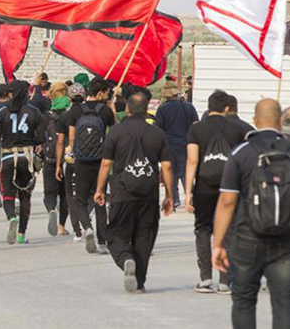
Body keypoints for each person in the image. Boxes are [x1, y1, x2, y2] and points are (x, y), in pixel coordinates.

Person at [212, 99, 290, 329]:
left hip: (248, 237)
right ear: (280, 121)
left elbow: (227, 202)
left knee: (244, 301)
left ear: (255, 120)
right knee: (285, 303)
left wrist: (218, 244)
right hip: (287, 239)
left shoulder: (240, 153)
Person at [95, 92, 174, 293]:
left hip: (122, 192)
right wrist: (169, 195)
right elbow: (167, 166)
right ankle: (139, 281)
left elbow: (106, 163)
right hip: (149, 193)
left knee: (116, 234)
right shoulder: (157, 133)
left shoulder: (116, 132)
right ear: (147, 109)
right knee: (145, 236)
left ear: (128, 108)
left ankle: (125, 259)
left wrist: (100, 189)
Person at [185, 90, 249, 294]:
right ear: (227, 108)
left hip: (203, 187)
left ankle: (205, 278)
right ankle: (225, 280)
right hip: (229, 188)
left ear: (208, 106)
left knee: (203, 230)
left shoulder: (196, 129)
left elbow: (192, 160)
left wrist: (188, 191)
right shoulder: (237, 129)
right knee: (228, 230)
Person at [0, 80, 45, 245]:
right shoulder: (34, 112)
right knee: (25, 196)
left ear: (10, 94)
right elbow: (41, 138)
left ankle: (11, 218)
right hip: (27, 157)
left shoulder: (2, 112)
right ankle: (22, 234)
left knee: (7, 194)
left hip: (8, 157)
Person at [68, 77, 115, 254]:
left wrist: (74, 153)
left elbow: (72, 138)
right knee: (100, 199)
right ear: (101, 93)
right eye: (107, 93)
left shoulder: (76, 110)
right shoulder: (105, 111)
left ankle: (87, 227)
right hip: (101, 161)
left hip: (81, 161)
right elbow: (114, 133)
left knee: (80, 200)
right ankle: (102, 242)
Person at [155, 80, 198, 208]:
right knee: (186, 171)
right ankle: (191, 196)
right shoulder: (189, 107)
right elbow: (195, 125)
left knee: (171, 172)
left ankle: (174, 198)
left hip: (169, 145)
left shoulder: (162, 109)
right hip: (186, 143)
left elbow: (158, 129)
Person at [55, 82, 87, 242]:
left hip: (71, 158)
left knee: (71, 195)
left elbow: (61, 142)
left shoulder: (64, 116)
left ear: (69, 98)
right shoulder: (90, 113)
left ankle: (77, 230)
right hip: (91, 156)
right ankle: (87, 219)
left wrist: (58, 164)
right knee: (89, 192)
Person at [41, 82, 71, 236]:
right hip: (67, 159)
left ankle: (51, 209)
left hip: (50, 158)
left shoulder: (47, 116)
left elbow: (40, 136)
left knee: (49, 192)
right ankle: (61, 226)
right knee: (65, 194)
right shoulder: (71, 114)